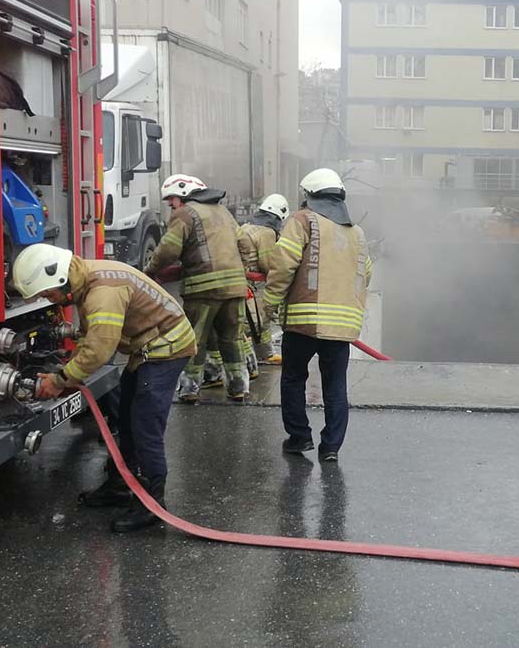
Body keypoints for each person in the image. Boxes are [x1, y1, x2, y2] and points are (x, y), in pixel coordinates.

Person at [11, 243, 196, 533]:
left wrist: (60, 380)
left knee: (144, 425)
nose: (51, 301)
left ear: (61, 280)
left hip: (166, 349)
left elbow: (99, 349)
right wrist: (70, 374)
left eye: (48, 294)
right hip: (147, 348)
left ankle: (152, 504)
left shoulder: (102, 292)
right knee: (125, 416)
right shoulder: (86, 280)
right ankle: (121, 485)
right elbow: (89, 339)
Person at [263, 169, 373, 462]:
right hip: (342, 327)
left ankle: (299, 438)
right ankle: (331, 447)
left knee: (293, 379)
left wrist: (268, 304)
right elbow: (367, 274)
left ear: (309, 195)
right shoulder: (357, 233)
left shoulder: (302, 221)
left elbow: (283, 265)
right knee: (335, 387)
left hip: (303, 321)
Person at [144, 174, 250, 403]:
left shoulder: (185, 213)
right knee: (231, 340)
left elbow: (168, 250)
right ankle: (238, 386)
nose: (170, 204)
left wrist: (150, 270)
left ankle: (190, 389)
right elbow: (245, 244)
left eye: (171, 199)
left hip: (202, 290)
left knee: (195, 340)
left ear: (183, 194)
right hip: (235, 289)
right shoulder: (223, 212)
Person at [238, 193, 291, 364]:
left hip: (240, 280)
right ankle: (253, 356)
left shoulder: (246, 227)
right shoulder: (267, 233)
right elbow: (268, 263)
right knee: (255, 320)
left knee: (261, 318)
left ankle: (266, 353)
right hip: (251, 283)